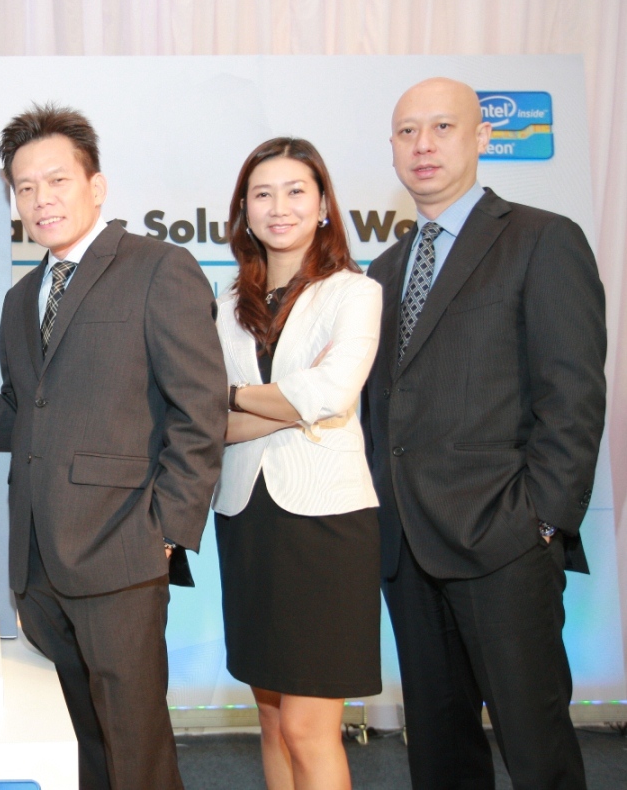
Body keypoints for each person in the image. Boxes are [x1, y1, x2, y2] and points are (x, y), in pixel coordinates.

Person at [0, 104, 226, 790]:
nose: (41, 199)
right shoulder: (21, 298)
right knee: (79, 746)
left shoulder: (159, 268)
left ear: (96, 186)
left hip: (123, 552)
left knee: (135, 748)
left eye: (57, 180)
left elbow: (201, 409)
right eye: (25, 187)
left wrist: (166, 532)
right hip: (38, 562)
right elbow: (21, 413)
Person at [361, 77, 606, 789]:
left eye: (442, 127)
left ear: (482, 137)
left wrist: (540, 522)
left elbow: (573, 395)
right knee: (440, 755)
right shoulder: (386, 268)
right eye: (408, 131)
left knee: (536, 749)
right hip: (407, 549)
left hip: (504, 543)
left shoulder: (542, 239)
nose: (423, 145)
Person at [212, 138, 382, 790]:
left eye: (294, 191)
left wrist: (234, 398)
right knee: (273, 721)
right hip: (247, 518)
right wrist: (289, 403)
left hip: (326, 526)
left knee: (310, 728)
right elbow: (206, 421)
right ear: (244, 210)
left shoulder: (354, 292)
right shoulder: (227, 304)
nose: (278, 207)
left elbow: (332, 394)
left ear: (323, 205)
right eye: (262, 193)